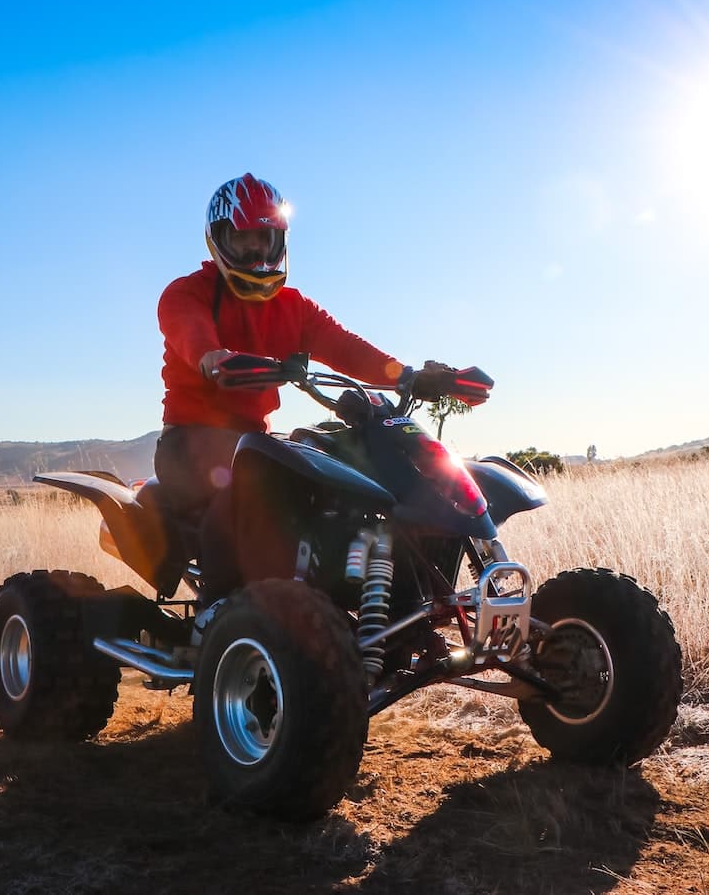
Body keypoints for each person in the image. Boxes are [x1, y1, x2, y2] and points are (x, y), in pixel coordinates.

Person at [155, 172, 485, 603]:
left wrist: (412, 376)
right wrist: (213, 358)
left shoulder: (294, 307)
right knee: (251, 484)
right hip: (189, 440)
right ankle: (217, 612)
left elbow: (346, 347)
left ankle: (392, 607)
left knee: (350, 484)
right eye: (244, 239)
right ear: (218, 239)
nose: (256, 249)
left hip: (253, 441)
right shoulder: (186, 294)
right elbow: (190, 334)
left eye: (266, 239)